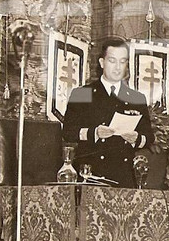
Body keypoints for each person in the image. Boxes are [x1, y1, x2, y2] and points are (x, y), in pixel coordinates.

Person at [62, 36, 155, 188]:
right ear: (102, 62)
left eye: (122, 61)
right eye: (112, 61)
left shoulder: (137, 98)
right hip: (90, 175)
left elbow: (149, 137)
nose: (118, 67)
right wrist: (94, 133)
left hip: (123, 177)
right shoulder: (83, 93)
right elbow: (68, 131)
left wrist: (137, 138)